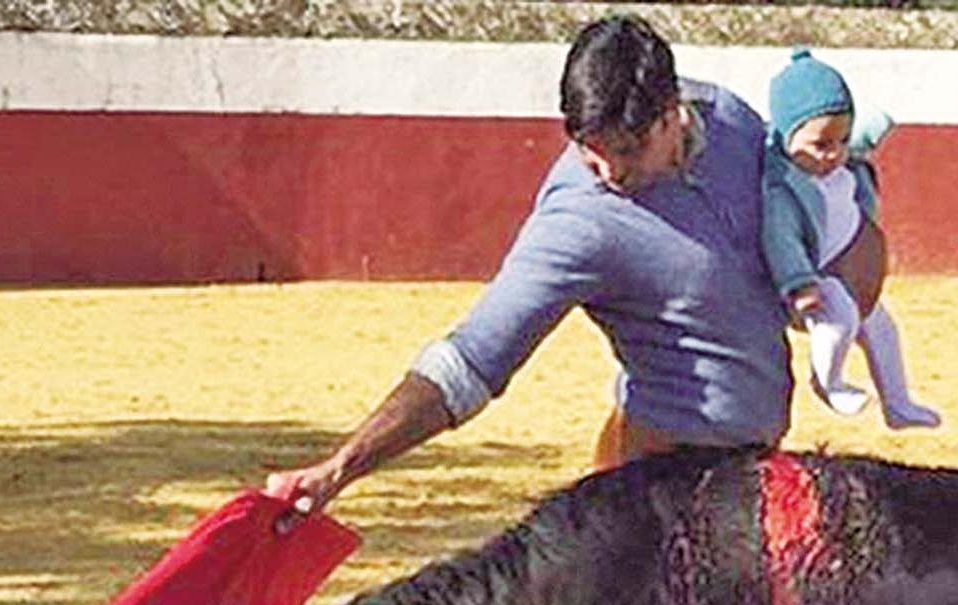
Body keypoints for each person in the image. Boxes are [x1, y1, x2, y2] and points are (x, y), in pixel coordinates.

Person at [266, 15, 852, 516]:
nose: (606, 172)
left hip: (756, 469)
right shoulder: (578, 222)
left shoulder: (732, 121)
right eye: (586, 149)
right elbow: (471, 360)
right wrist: (342, 467)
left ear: (672, 113)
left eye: (624, 151)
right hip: (656, 492)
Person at [760, 50, 940, 430]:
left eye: (841, 141)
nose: (833, 154)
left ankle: (898, 403)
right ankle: (829, 382)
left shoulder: (844, 167)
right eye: (821, 145)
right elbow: (781, 240)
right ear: (786, 137)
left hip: (848, 279)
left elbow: (862, 135)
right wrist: (799, 283)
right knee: (840, 312)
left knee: (880, 326)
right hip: (811, 285)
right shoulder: (783, 190)